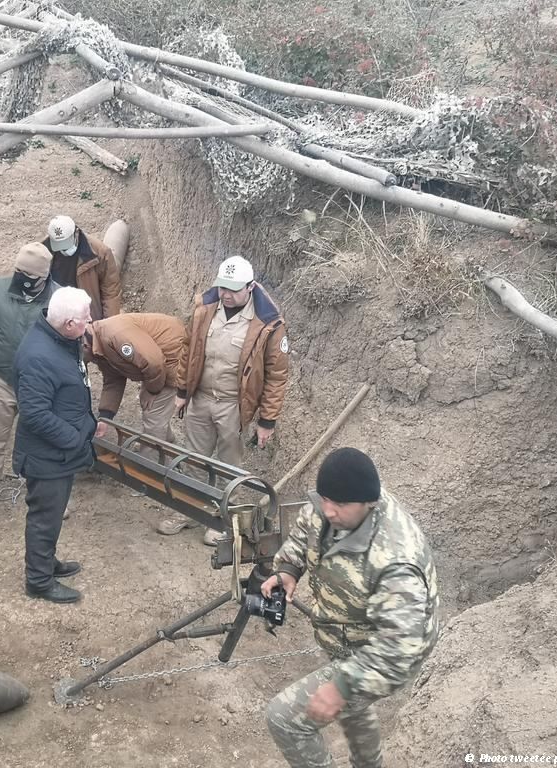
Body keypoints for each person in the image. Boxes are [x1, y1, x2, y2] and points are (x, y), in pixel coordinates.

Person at [262, 448, 440, 768]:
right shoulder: (332, 501)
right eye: (325, 498)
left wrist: (342, 685)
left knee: (284, 719)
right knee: (353, 709)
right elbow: (306, 530)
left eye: (340, 505)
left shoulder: (397, 558)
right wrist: (288, 569)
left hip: (384, 649)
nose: (328, 510)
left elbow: (400, 645)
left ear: (369, 503)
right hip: (346, 630)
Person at [158, 255, 290, 545]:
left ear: (251, 287)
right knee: (193, 458)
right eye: (222, 288)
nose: (226, 295)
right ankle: (189, 510)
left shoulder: (268, 324)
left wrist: (267, 420)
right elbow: (188, 351)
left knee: (229, 465)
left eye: (233, 289)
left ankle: (222, 519)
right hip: (201, 399)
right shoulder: (205, 309)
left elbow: (277, 376)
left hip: (234, 405)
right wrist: (182, 392)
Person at [12, 286, 96, 604]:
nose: (90, 324)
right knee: (44, 517)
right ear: (70, 324)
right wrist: (74, 438)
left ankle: (47, 563)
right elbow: (34, 414)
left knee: (53, 512)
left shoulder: (59, 339)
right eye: (86, 320)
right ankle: (38, 581)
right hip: (48, 457)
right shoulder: (39, 357)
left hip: (59, 454)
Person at [0, 242, 56, 522]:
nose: (20, 279)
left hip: (39, 385)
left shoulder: (58, 299)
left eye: (27, 275)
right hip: (1, 378)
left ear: (43, 278)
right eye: (17, 271)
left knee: (41, 442)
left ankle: (45, 495)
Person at [86, 313, 186, 444]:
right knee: (154, 415)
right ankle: (170, 449)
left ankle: (152, 460)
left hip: (171, 356)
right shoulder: (97, 346)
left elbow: (154, 363)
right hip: (155, 363)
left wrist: (153, 391)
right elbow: (113, 379)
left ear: (84, 346)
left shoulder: (114, 335)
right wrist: (105, 417)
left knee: (153, 415)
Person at [42, 215, 122, 322]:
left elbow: (110, 292)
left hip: (86, 315)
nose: (63, 249)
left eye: (66, 244)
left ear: (76, 233)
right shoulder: (43, 251)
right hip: (58, 313)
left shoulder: (99, 253)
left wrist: (108, 324)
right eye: (59, 245)